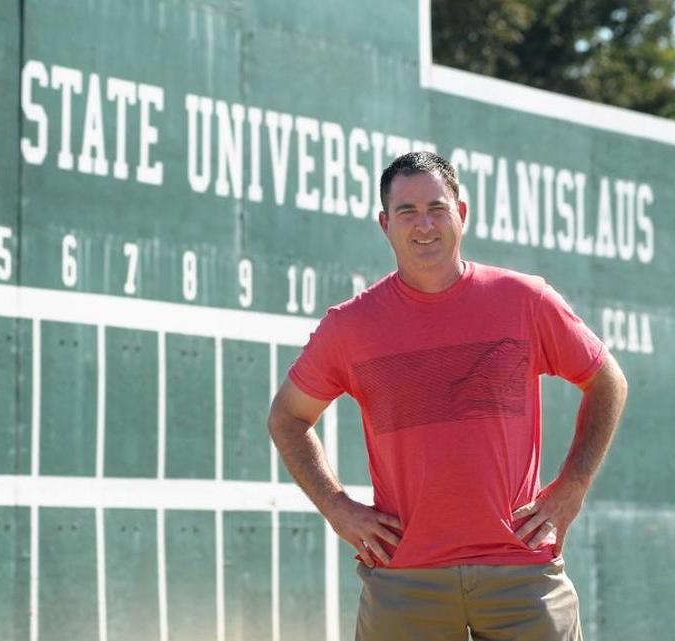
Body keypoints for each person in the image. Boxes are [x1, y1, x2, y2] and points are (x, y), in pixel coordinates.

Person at [268, 151, 628, 640]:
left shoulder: (525, 300)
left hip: (521, 575)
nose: (424, 225)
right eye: (407, 212)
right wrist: (336, 506)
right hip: (404, 581)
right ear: (384, 224)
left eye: (437, 208)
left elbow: (607, 380)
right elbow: (287, 417)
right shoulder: (350, 326)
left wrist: (573, 485)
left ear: (461, 213)